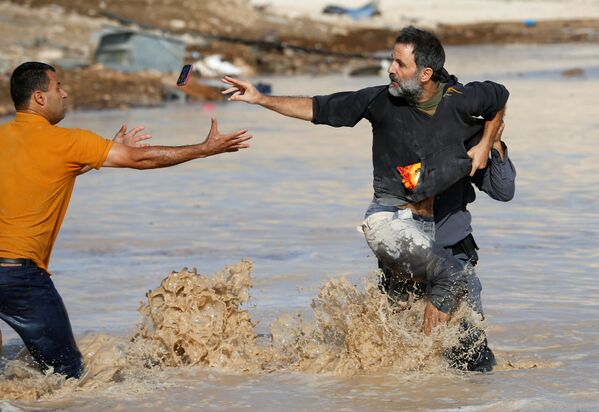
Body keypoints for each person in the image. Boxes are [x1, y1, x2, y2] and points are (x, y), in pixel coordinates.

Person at [221, 26, 508, 370]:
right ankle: (418, 367)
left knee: (471, 352)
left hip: (440, 231)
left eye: (400, 64)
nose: (390, 69)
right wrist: (261, 98)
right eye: (391, 60)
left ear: (425, 73)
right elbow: (319, 107)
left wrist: (485, 143)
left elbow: (499, 97)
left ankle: (419, 383)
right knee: (453, 279)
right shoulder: (380, 101)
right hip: (391, 221)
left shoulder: (460, 99)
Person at [0, 62, 252, 379]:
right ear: (39, 98)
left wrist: (104, 150)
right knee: (67, 376)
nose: (65, 93)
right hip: (19, 277)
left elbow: (42, 171)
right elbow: (140, 158)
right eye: (58, 87)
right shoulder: (67, 141)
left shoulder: (7, 138)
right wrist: (204, 149)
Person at [378, 121, 516, 371]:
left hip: (457, 257)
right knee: (397, 357)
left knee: (473, 359)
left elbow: (503, 191)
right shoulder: (398, 128)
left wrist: (492, 142)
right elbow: (415, 188)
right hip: (410, 259)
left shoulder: (468, 134)